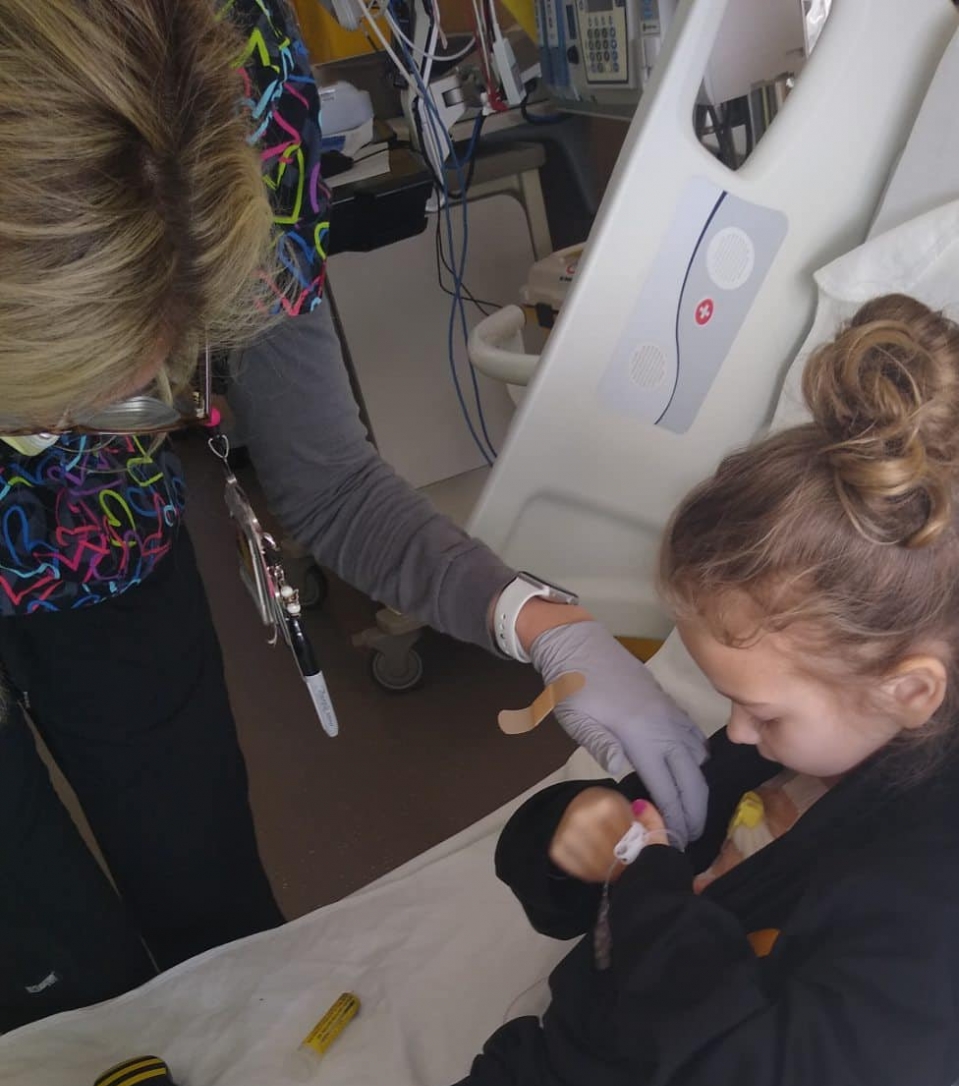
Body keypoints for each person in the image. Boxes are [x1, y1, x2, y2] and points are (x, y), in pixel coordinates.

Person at [0, 296, 959, 1086]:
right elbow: (593, 873)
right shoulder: (793, 759)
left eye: (763, 711)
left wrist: (645, 890)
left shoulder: (922, 880)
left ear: (910, 689)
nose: (735, 735)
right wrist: (572, 838)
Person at [0, 0, 707, 1032]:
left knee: (210, 909)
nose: (88, 422)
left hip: (105, 546)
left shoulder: (245, 89)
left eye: (144, 388)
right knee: (40, 965)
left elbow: (327, 480)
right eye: (57, 402)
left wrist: (541, 621)